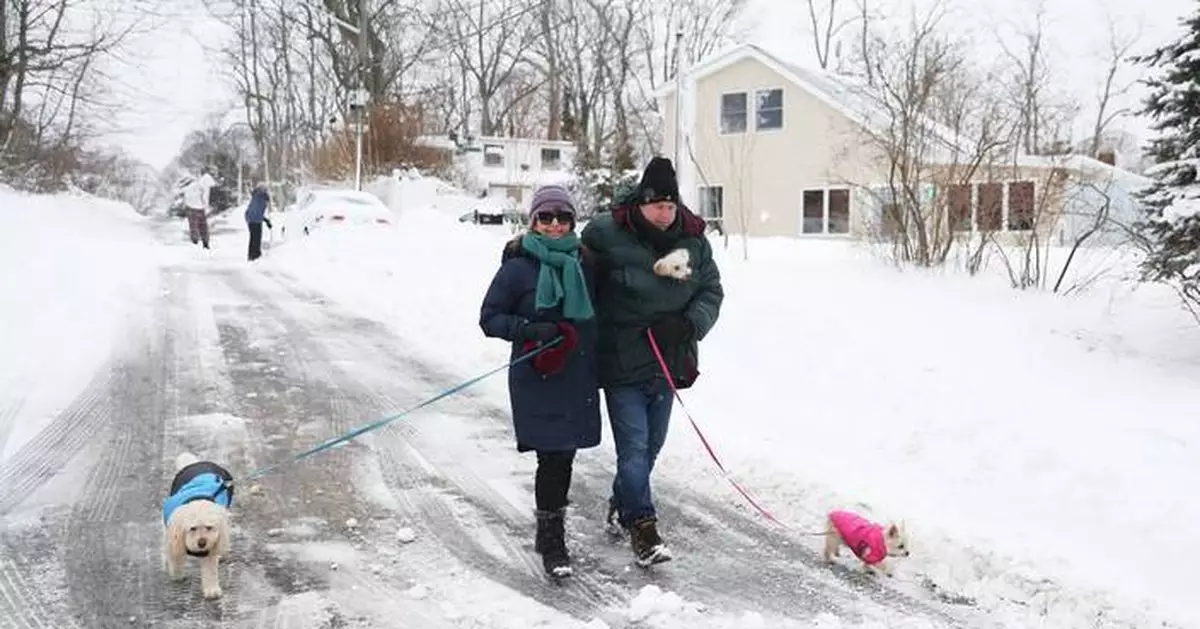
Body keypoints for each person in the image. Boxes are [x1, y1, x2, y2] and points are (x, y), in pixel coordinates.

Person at [580, 157, 724, 566]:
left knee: (652, 446)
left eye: (670, 205)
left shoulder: (694, 240)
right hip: (622, 359)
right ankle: (643, 527)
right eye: (657, 205)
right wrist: (524, 251)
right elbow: (571, 263)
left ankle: (622, 500)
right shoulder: (606, 233)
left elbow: (711, 291)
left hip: (669, 360)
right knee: (635, 447)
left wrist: (688, 324)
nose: (665, 213)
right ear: (641, 203)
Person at [479, 184, 602, 578]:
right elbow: (490, 318)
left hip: (576, 373)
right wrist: (530, 328)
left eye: (562, 217)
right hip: (537, 372)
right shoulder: (517, 267)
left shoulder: (586, 264)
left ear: (572, 221)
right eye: (545, 217)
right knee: (551, 455)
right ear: (533, 221)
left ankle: (548, 532)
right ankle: (552, 542)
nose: (554, 225)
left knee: (564, 455)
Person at [182, 167, 217, 249]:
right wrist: (206, 207)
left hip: (191, 206)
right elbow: (205, 196)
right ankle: (203, 244)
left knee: (194, 225)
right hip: (196, 206)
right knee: (202, 225)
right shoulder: (206, 182)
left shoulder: (197, 183)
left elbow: (187, 194)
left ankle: (196, 242)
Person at [244, 183, 273, 261]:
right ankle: (255, 255)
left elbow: (258, 212)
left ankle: (252, 255)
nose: (267, 192)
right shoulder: (260, 198)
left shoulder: (257, 196)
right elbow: (257, 212)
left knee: (254, 237)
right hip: (254, 220)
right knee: (256, 237)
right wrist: (266, 221)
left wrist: (266, 220)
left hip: (252, 219)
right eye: (266, 190)